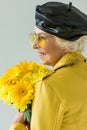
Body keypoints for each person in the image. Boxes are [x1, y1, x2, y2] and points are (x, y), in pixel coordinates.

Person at [10, 1, 87, 130]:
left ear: (64, 43)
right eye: (34, 37)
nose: (34, 45)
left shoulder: (49, 86)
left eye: (42, 38)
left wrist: (16, 125)